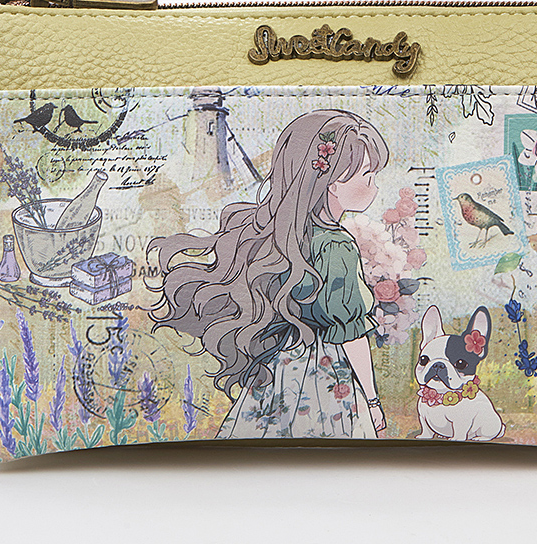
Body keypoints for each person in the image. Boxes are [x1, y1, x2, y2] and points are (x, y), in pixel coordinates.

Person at [148, 109, 389, 438]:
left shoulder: (284, 234)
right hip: (326, 376)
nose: (374, 185)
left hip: (279, 368)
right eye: (368, 174)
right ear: (333, 183)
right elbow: (349, 334)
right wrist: (372, 402)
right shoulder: (337, 247)